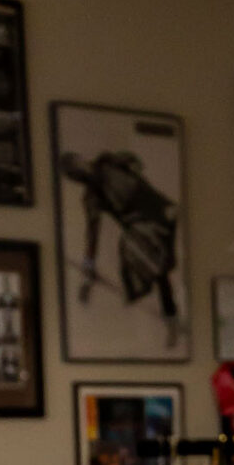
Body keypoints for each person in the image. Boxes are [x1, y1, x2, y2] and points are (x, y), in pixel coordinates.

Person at [59, 147, 182, 347]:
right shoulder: (92, 197)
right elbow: (92, 234)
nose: (79, 172)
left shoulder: (107, 161)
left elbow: (135, 162)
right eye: (74, 173)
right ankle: (171, 319)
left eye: (76, 165)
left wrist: (131, 166)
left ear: (81, 158)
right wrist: (88, 267)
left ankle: (169, 317)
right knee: (155, 267)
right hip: (141, 224)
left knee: (141, 252)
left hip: (156, 210)